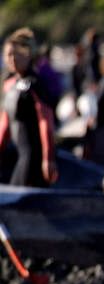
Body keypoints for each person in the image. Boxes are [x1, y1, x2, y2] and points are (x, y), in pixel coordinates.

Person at [0, 27, 58, 187]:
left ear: (27, 54)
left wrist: (49, 158)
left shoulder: (35, 83)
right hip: (21, 156)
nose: (11, 59)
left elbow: (45, 123)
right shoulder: (10, 84)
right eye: (8, 54)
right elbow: (5, 124)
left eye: (15, 54)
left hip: (35, 158)